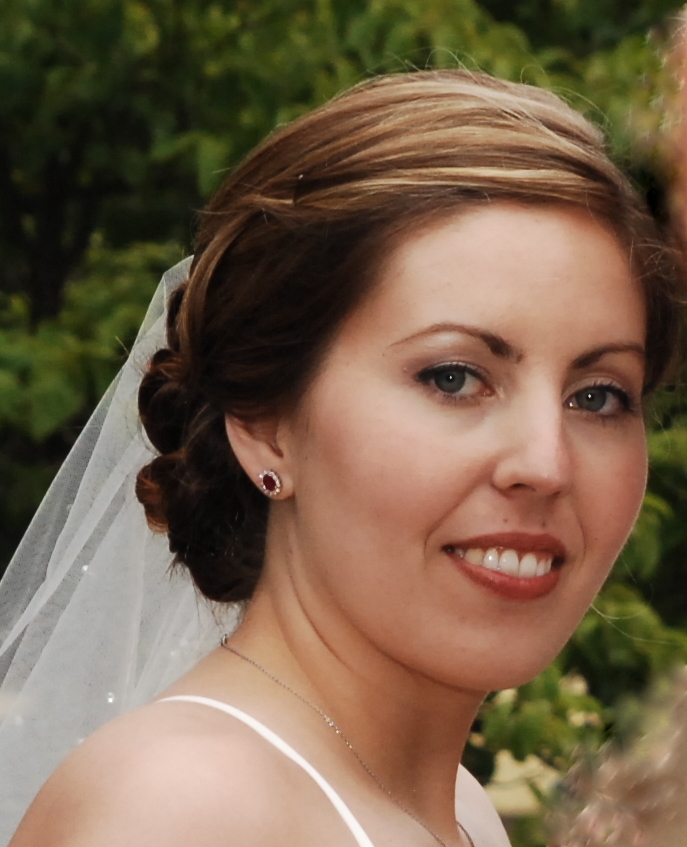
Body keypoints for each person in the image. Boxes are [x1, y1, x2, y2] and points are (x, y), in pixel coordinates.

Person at [1, 69, 683, 847]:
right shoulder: (181, 809)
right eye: (453, 377)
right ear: (265, 423)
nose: (545, 462)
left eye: (597, 395)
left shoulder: (462, 813)